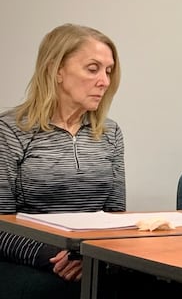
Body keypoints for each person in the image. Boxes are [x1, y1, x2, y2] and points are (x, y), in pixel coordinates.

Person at [0, 24, 124, 297]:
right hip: (33, 259)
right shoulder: (10, 130)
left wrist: (89, 256)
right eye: (92, 69)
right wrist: (56, 255)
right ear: (55, 70)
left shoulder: (110, 132)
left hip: (92, 257)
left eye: (108, 71)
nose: (104, 80)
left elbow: (116, 217)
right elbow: (1, 223)